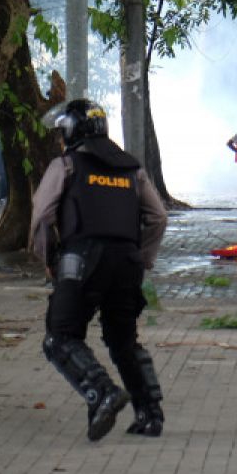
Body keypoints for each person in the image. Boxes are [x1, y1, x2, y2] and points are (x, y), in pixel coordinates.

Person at [30, 99, 169, 441]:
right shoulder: (131, 169)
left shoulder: (66, 165)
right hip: (127, 264)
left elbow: (43, 215)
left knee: (60, 336)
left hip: (82, 261)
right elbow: (158, 217)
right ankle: (150, 414)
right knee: (123, 340)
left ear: (70, 132)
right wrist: (143, 258)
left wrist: (48, 259)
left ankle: (101, 391)